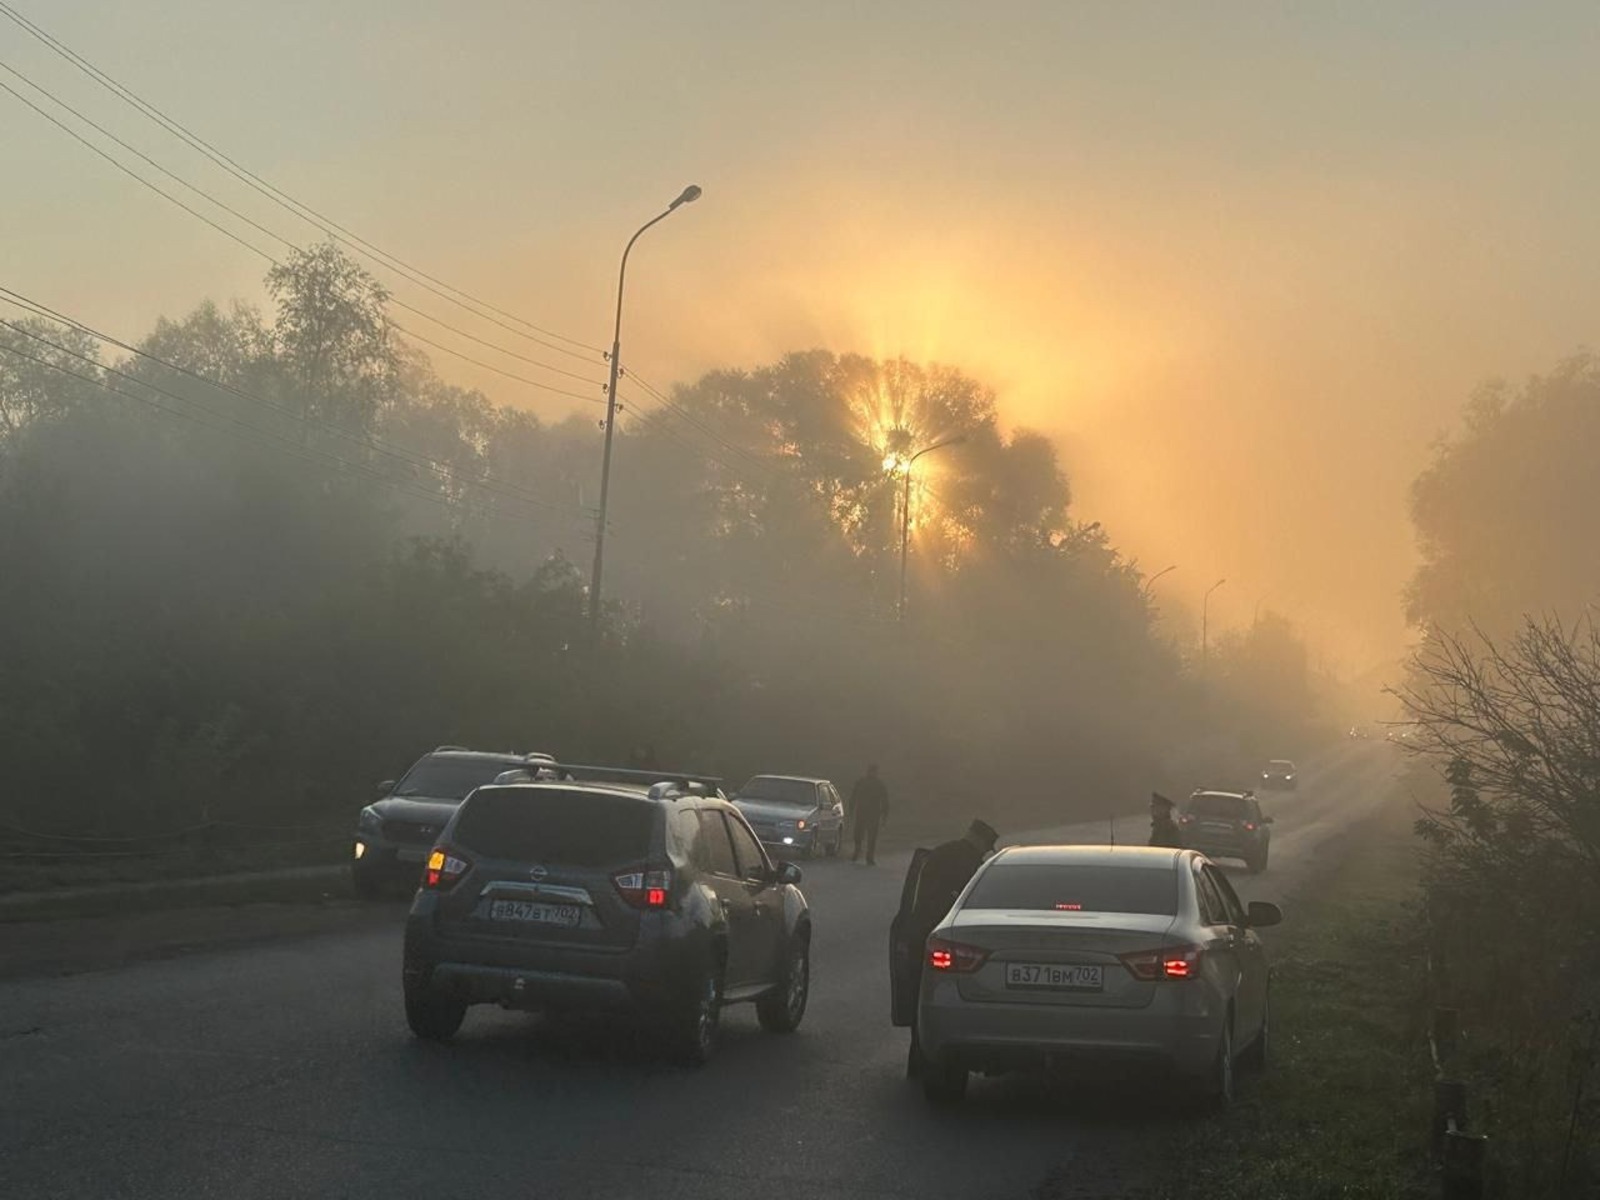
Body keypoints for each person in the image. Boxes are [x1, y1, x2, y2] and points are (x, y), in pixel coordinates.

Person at [899, 818, 1000, 1076]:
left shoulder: (939, 853)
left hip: (919, 932)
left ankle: (917, 1058)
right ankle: (927, 1058)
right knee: (935, 995)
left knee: (917, 997)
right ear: (980, 841)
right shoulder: (975, 867)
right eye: (986, 847)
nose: (985, 852)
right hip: (948, 937)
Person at [850, 763, 890, 865]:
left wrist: (884, 814)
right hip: (867, 813)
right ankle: (860, 852)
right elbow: (854, 797)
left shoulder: (872, 783)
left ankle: (867, 856)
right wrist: (851, 809)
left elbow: (885, 800)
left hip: (870, 813)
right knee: (860, 834)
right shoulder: (870, 783)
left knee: (869, 836)